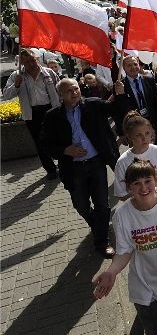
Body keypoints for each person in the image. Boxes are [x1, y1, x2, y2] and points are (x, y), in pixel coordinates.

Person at [92, 159, 157, 335]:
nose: (143, 188)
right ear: (128, 187)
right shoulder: (122, 214)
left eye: (148, 181)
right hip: (144, 286)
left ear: (156, 179)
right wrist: (111, 272)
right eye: (136, 183)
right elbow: (125, 251)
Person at [41, 78, 126, 258]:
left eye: (76, 89)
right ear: (60, 95)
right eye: (69, 91)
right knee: (81, 205)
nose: (74, 93)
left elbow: (117, 109)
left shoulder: (93, 105)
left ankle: (102, 242)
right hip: (73, 168)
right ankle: (98, 226)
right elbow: (45, 145)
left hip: (96, 163)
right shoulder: (52, 116)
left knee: (103, 204)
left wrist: (120, 94)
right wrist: (65, 150)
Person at [3, 48, 60, 179]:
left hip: (51, 110)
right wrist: (16, 85)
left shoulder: (49, 73)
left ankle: (63, 165)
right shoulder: (16, 76)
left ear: (37, 59)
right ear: (22, 63)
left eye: (32, 60)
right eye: (27, 62)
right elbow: (6, 95)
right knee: (40, 143)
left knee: (57, 138)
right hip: (32, 113)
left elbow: (60, 91)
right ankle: (50, 170)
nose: (31, 64)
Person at [114, 112, 157, 201]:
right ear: (129, 136)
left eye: (147, 133)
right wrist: (142, 194)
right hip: (139, 210)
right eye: (138, 135)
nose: (144, 138)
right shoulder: (122, 162)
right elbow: (121, 195)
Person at [116, 55, 157, 141]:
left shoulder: (149, 80)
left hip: (152, 123)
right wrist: (121, 133)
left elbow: (156, 102)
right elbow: (118, 111)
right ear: (123, 67)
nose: (133, 67)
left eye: (135, 64)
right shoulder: (119, 86)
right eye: (129, 65)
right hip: (134, 128)